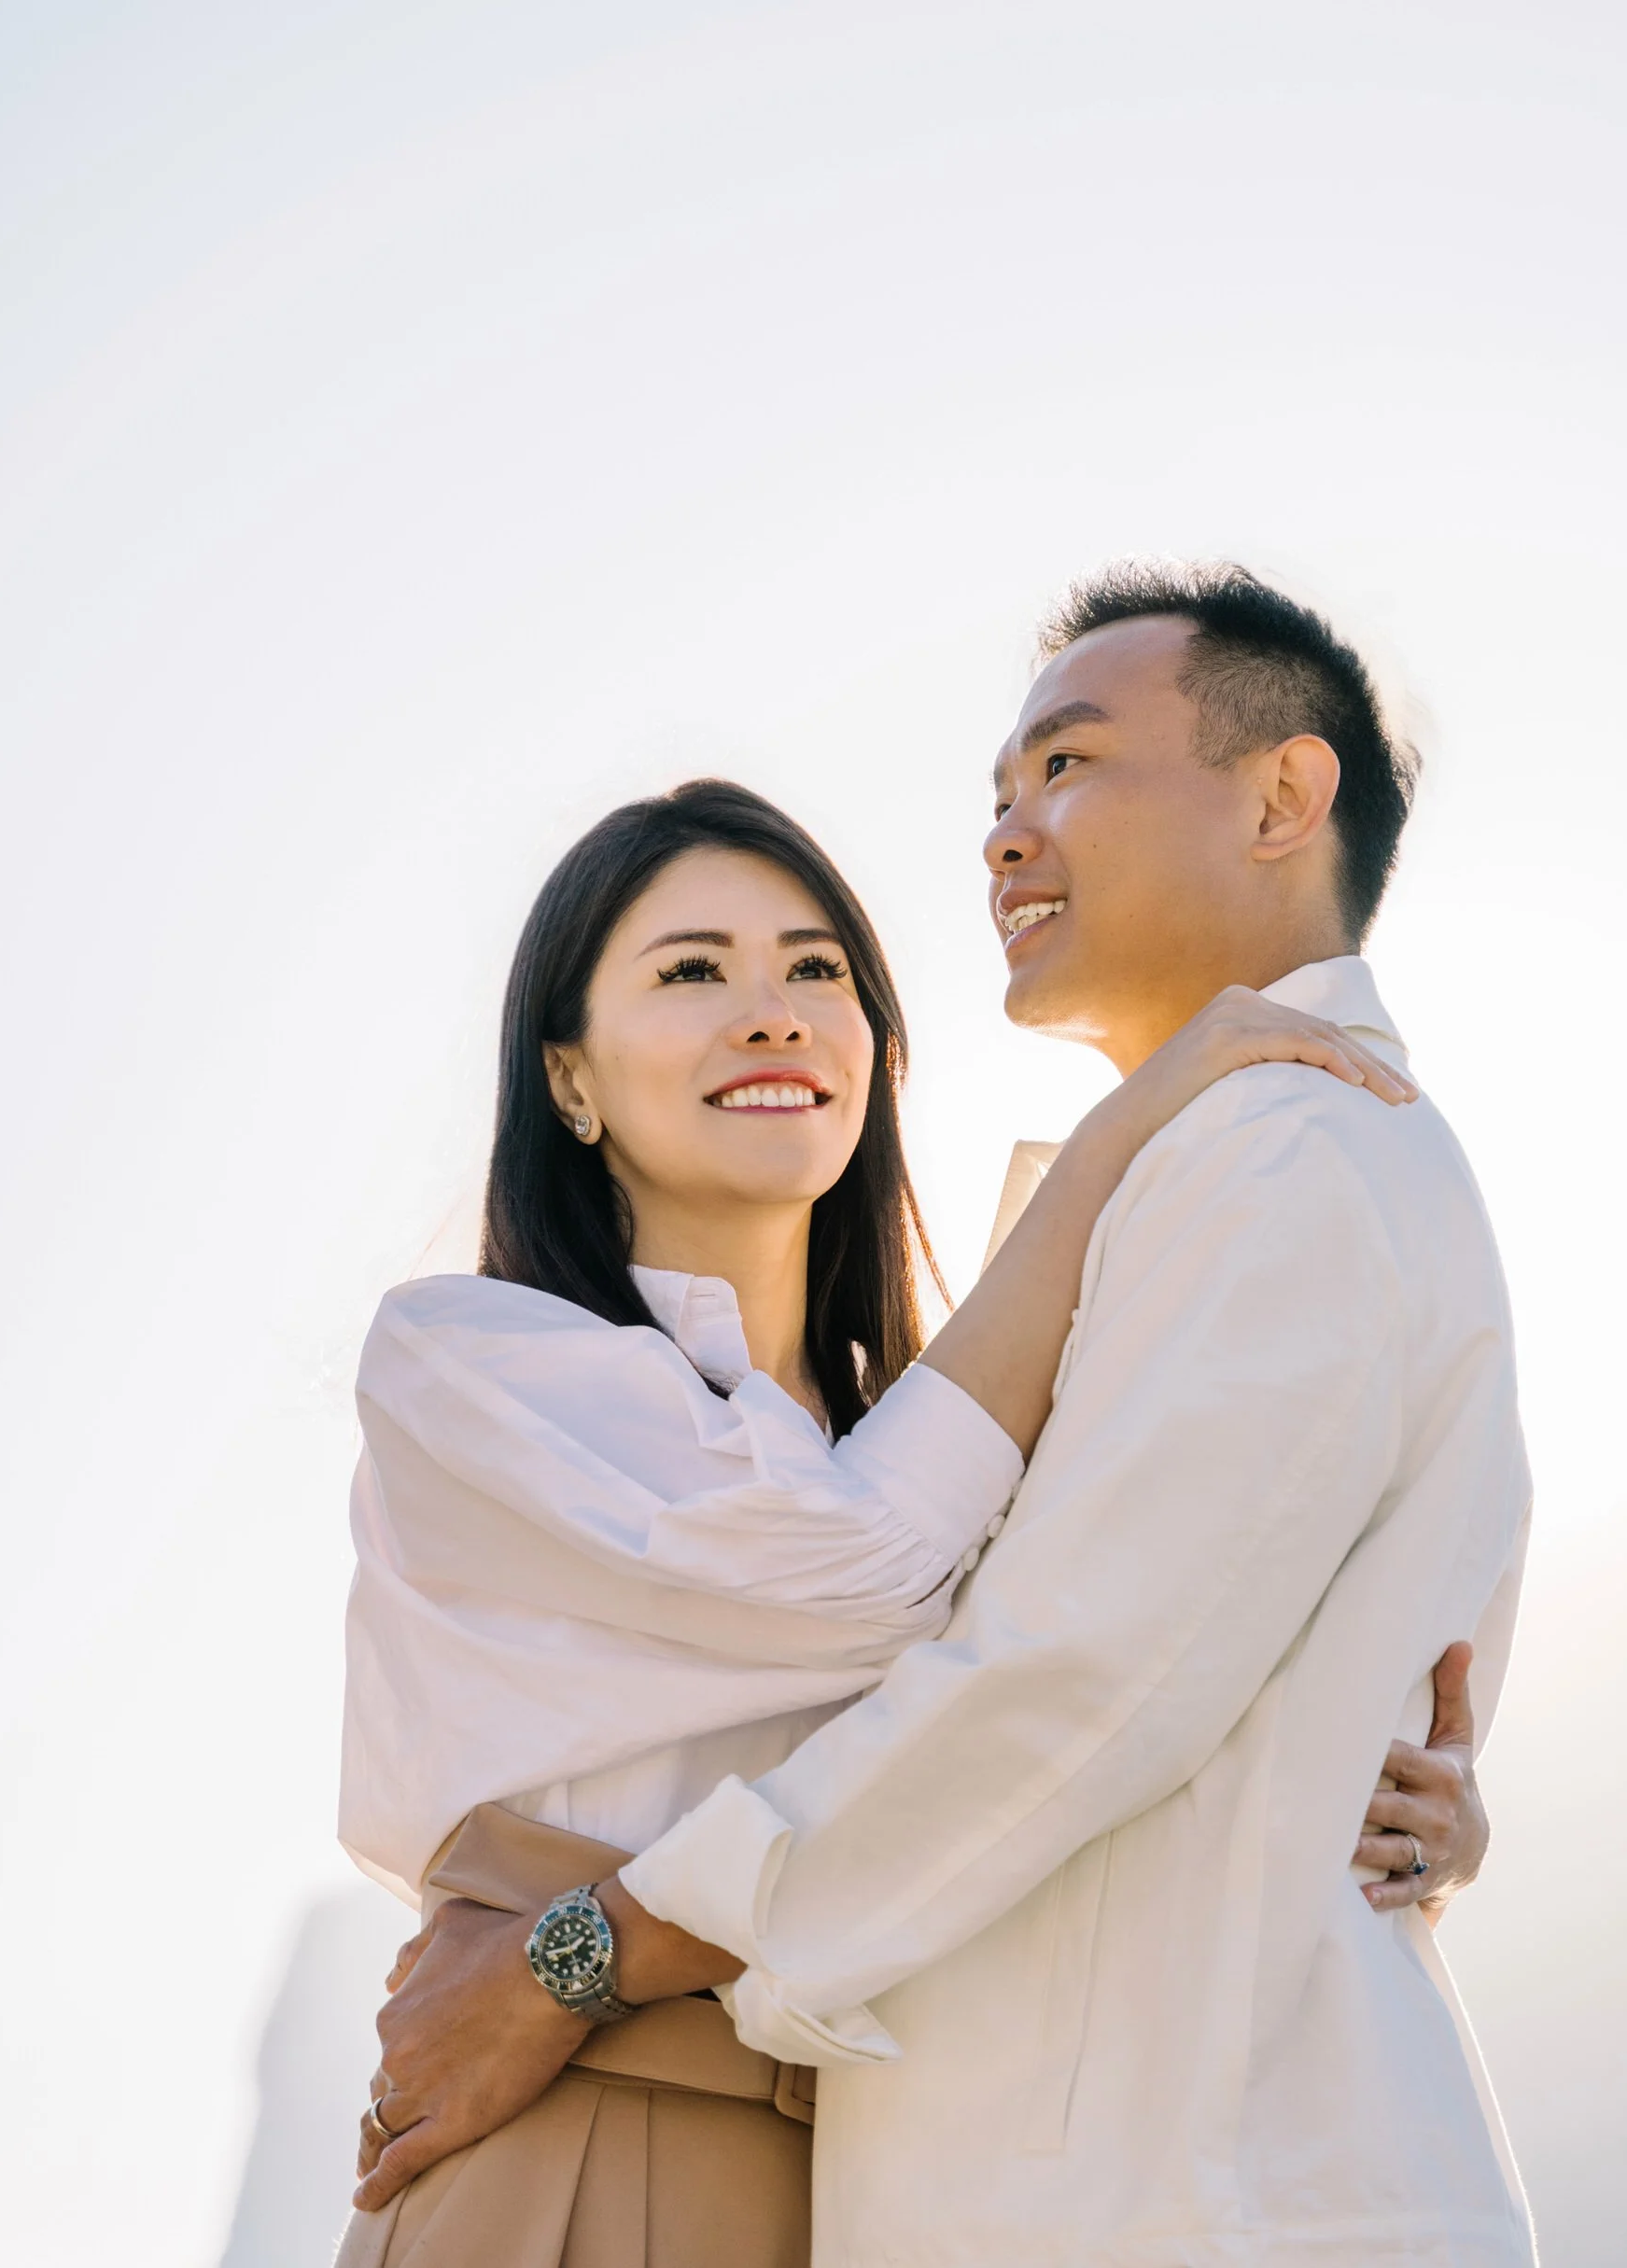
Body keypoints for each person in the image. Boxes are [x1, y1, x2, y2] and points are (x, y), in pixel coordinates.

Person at [355, 563, 1532, 2266]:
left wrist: (584, 1951)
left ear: (1284, 797)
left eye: (1066, 765)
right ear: (568, 1073)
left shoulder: (1283, 1153)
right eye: (689, 970)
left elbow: (1071, 1673)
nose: (1005, 833)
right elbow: (945, 1603)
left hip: (1025, 2173)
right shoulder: (485, 1359)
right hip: (622, 2126)